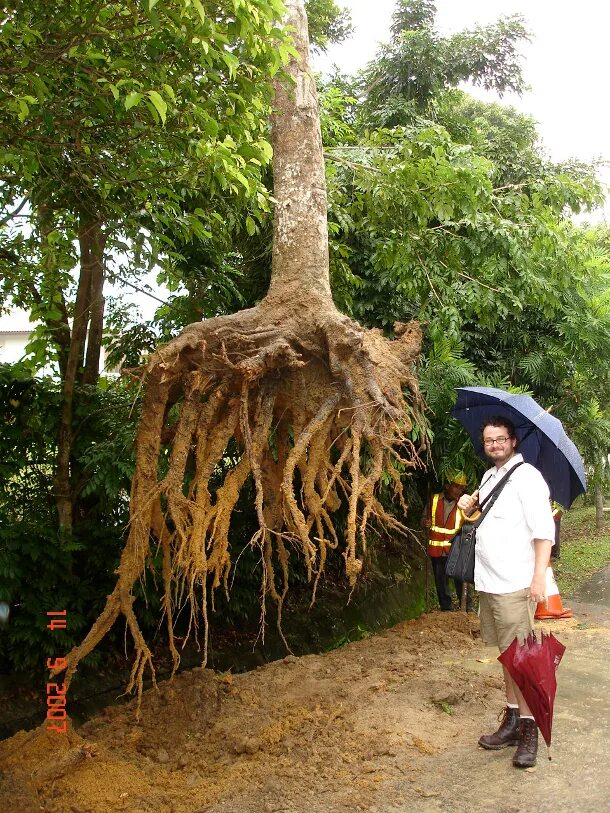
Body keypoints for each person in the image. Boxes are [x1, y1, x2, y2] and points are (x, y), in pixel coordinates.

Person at [457, 416, 555, 769]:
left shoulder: (527, 477)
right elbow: (478, 513)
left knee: (521, 661)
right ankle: (513, 718)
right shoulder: (489, 476)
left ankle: (529, 728)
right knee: (505, 656)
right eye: (489, 440)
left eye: (500, 439)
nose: (495, 445)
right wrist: (468, 503)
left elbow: (544, 531)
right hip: (490, 583)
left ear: (513, 441)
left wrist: (538, 578)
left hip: (515, 584)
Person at [423, 473, 471, 611]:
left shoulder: (463, 504)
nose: (459, 491)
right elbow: (424, 518)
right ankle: (446, 609)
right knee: (441, 581)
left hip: (456, 549)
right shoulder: (434, 500)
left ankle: (467, 608)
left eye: (462, 488)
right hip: (437, 549)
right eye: (456, 487)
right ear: (447, 485)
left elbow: (471, 522)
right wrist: (425, 523)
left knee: (460, 579)